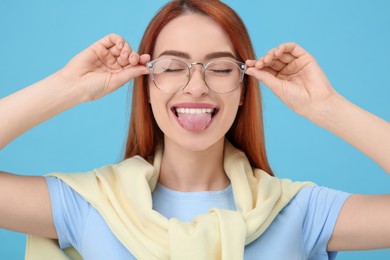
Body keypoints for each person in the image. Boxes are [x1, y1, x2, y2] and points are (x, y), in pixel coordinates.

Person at [0, 0, 389, 259]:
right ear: (146, 87)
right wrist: (68, 87)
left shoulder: (299, 211)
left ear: (243, 93)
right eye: (172, 67)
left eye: (220, 68)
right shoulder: (89, 205)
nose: (197, 86)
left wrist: (327, 107)